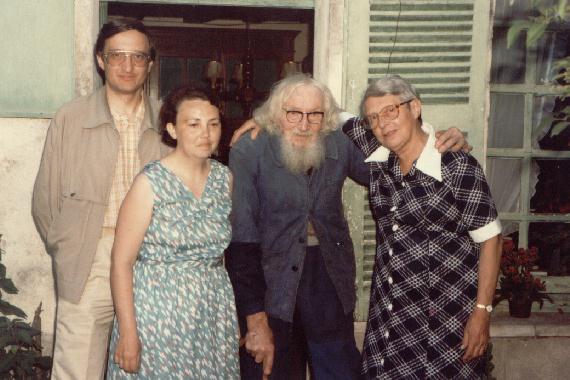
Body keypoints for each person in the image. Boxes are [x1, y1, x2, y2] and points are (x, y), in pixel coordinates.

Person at [226, 74, 469, 380]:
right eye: (293, 114)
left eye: (314, 115)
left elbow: (396, 162)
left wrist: (438, 144)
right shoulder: (250, 149)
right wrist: (254, 318)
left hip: (328, 277)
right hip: (269, 282)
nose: (303, 125)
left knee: (339, 371)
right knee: (272, 370)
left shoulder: (338, 140)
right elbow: (242, 239)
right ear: (276, 114)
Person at [31, 18, 169, 379]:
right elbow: (45, 201)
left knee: (149, 367)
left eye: (138, 57)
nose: (127, 66)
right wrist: (69, 247)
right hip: (89, 259)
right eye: (117, 55)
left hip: (152, 262)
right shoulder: (71, 118)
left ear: (150, 64)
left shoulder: (170, 119)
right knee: (78, 367)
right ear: (100, 60)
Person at [343, 75, 502, 379]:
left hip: (445, 322)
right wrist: (265, 122)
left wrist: (482, 312)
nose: (383, 123)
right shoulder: (380, 159)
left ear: (415, 108)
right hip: (389, 320)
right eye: (373, 118)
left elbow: (491, 241)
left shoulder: (456, 166)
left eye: (391, 111)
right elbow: (330, 114)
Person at [106, 85, 240, 378]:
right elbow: (121, 262)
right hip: (157, 312)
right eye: (193, 124)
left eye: (213, 124)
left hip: (212, 310)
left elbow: (219, 254)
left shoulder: (224, 179)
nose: (206, 133)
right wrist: (128, 333)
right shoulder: (150, 183)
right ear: (173, 129)